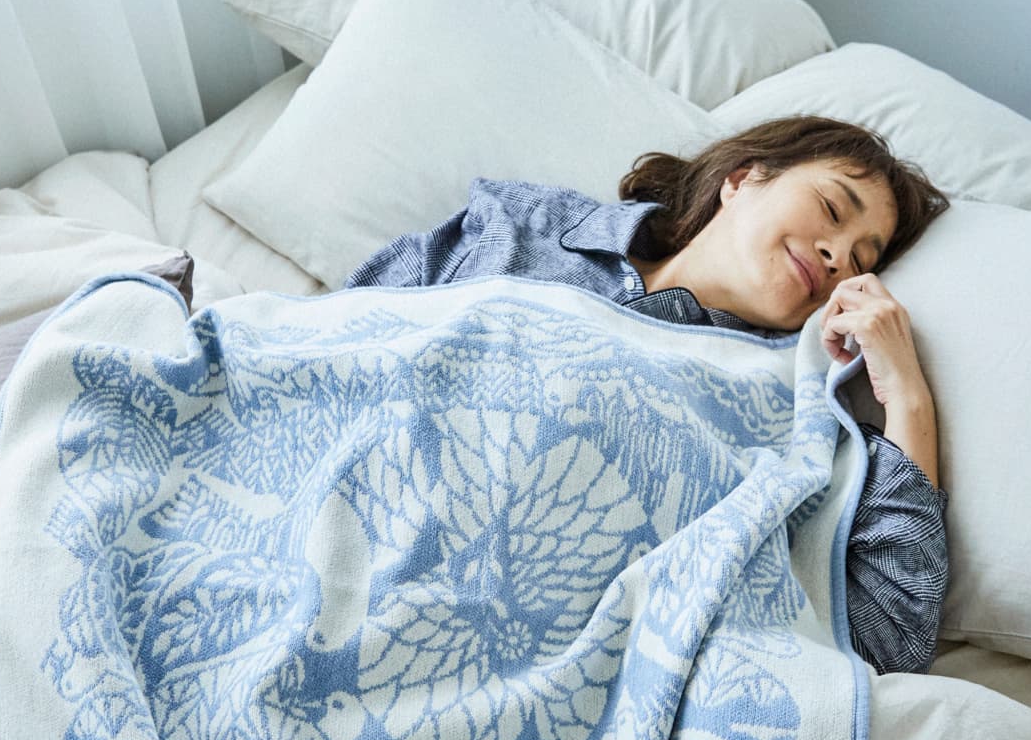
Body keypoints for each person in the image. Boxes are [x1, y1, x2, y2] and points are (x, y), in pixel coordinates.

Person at [344, 115, 953, 674]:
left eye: (859, 260)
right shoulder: (530, 228)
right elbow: (331, 344)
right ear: (741, 180)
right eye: (830, 208)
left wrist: (908, 395)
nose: (836, 254)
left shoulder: (799, 411)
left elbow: (890, 636)